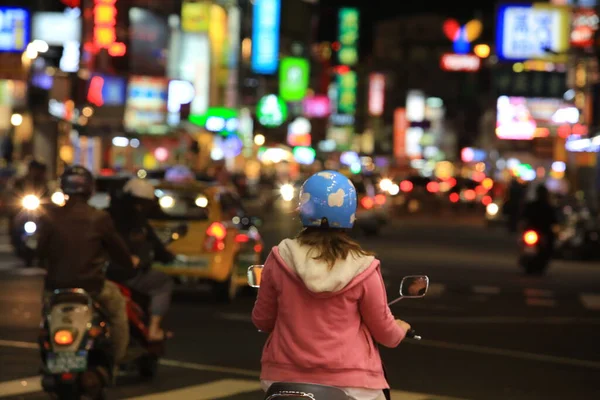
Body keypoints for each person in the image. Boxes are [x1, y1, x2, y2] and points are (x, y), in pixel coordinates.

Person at [252, 170, 411, 400]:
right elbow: (386, 334)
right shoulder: (364, 267)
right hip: (353, 383)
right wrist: (401, 328)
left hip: (282, 378)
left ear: (303, 207)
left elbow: (262, 320)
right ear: (351, 212)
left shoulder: (279, 258)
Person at [37, 165, 138, 370]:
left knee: (47, 320)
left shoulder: (50, 216)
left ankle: (49, 357)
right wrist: (130, 263)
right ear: (89, 189)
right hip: (92, 287)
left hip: (55, 287)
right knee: (118, 308)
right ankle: (117, 360)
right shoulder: (99, 218)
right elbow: (118, 251)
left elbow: (39, 251)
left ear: (64, 188)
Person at [107, 178, 174, 342]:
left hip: (104, 273)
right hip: (125, 275)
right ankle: (153, 329)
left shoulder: (104, 216)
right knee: (164, 282)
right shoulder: (138, 222)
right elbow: (157, 248)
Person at [519, 184, 558, 253]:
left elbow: (554, 221)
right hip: (532, 231)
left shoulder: (547, 207)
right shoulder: (534, 206)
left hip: (543, 233)